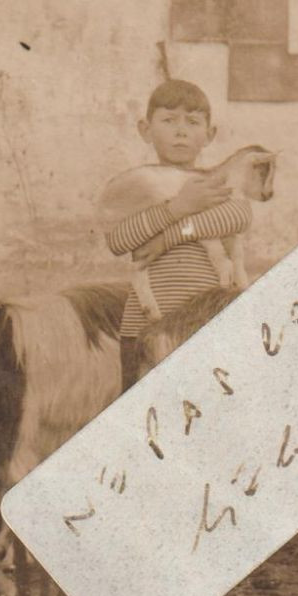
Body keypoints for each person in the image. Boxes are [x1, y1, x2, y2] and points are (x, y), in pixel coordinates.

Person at [107, 79, 254, 388]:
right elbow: (119, 240)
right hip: (147, 325)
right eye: (169, 120)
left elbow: (239, 215)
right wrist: (178, 207)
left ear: (210, 135)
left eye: (193, 122)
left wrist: (169, 238)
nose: (181, 131)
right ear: (145, 130)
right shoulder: (140, 185)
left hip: (206, 322)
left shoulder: (214, 183)